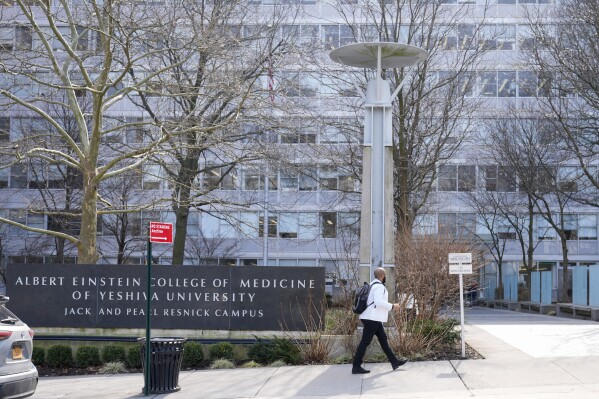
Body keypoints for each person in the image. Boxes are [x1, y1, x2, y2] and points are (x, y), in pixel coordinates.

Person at [352, 267, 408, 374]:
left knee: (383, 339)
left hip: (372, 318)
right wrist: (393, 306)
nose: (386, 277)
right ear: (382, 276)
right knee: (365, 342)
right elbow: (378, 302)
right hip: (372, 318)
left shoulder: (372, 285)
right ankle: (356, 366)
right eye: (385, 275)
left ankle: (394, 361)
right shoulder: (379, 287)